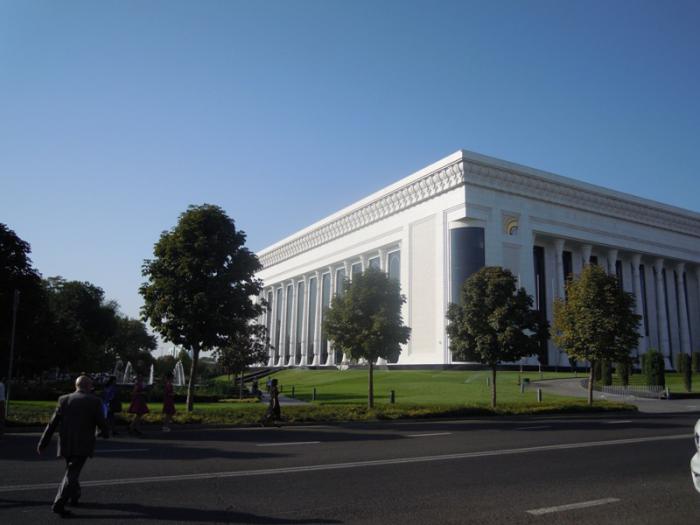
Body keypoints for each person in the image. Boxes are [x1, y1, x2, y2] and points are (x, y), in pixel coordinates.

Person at [37, 375, 109, 518]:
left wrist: (43, 442)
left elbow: (52, 423)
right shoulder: (94, 401)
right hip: (83, 443)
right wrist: (105, 433)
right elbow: (101, 421)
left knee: (71, 469)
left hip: (65, 442)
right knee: (72, 472)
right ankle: (59, 503)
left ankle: (75, 496)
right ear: (89, 386)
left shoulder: (63, 399)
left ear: (76, 386)